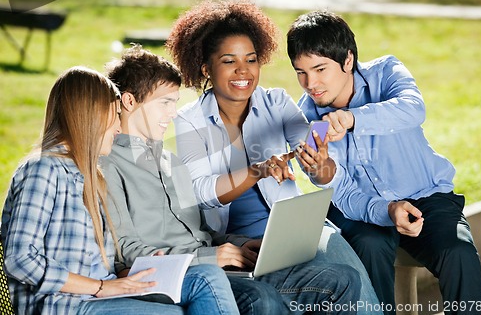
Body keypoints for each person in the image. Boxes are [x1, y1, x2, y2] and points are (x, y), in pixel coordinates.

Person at [102, 43, 361, 315]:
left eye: (175, 103)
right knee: (261, 298)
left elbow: (202, 231)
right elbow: (125, 251)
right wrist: (209, 258)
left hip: (218, 266)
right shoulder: (108, 166)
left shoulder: (171, 163)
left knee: (341, 280)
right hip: (186, 277)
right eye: (165, 103)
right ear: (129, 101)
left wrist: (239, 245)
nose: (174, 112)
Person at [168, 0, 381, 315]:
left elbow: (316, 167)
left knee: (348, 272)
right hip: (238, 242)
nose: (244, 71)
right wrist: (258, 170)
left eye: (251, 60)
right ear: (206, 69)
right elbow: (201, 192)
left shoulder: (276, 103)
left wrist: (319, 156)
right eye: (229, 61)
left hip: (294, 230)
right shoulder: (190, 120)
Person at [286, 10, 481, 315]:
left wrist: (353, 119)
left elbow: (412, 109)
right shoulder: (306, 121)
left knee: (457, 251)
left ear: (348, 60)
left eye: (319, 69)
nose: (310, 83)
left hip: (426, 194)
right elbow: (339, 189)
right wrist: (323, 171)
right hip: (361, 210)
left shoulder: (387, 72)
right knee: (368, 244)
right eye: (301, 72)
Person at [1, 66, 240, 315]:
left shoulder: (91, 174)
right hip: (65, 303)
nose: (118, 127)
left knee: (203, 280)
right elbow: (20, 259)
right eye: (114, 115)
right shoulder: (44, 169)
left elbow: (108, 255)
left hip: (102, 291)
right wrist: (101, 287)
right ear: (90, 115)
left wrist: (152, 262)